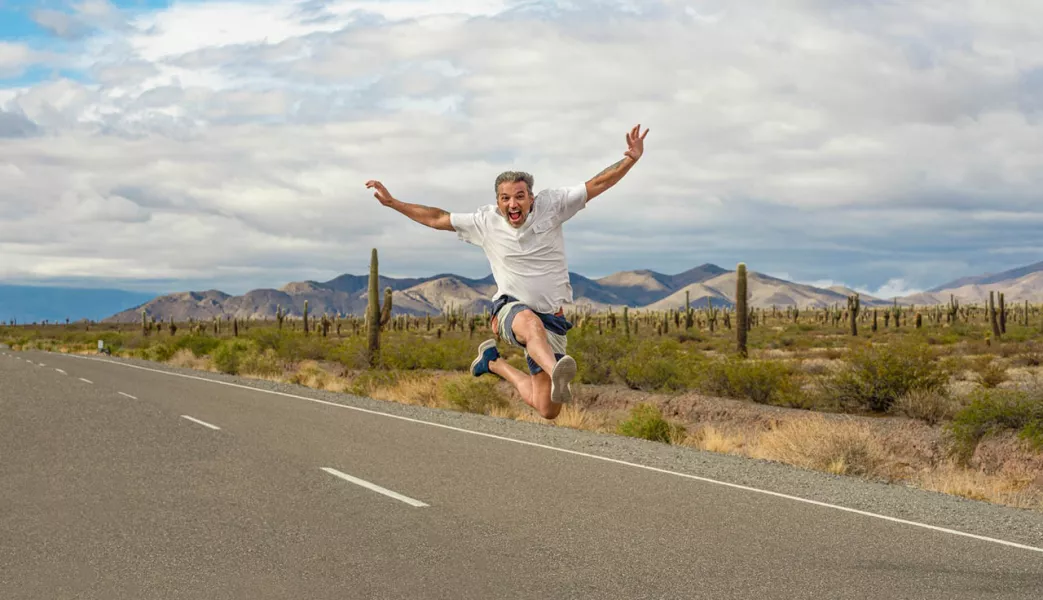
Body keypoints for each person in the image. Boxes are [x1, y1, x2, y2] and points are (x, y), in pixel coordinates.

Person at [365, 124, 648, 419]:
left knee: (546, 408)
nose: (513, 203)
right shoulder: (484, 222)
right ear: (498, 202)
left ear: (531, 198)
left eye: (519, 196)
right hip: (510, 310)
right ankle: (557, 369)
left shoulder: (553, 205)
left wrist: (631, 159)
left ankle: (492, 363)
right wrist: (393, 203)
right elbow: (437, 218)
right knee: (530, 325)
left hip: (553, 318)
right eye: (505, 198)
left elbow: (598, 184)